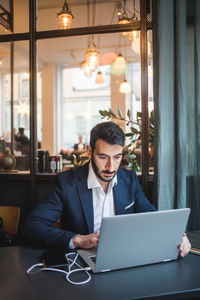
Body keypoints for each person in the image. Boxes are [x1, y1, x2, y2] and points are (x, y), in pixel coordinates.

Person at [20, 122, 191, 257]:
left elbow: (153, 219)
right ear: (89, 152)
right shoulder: (67, 183)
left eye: (117, 158)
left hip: (125, 256)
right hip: (82, 262)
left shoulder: (129, 180)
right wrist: (78, 240)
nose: (111, 167)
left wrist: (178, 237)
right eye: (103, 157)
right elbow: (31, 227)